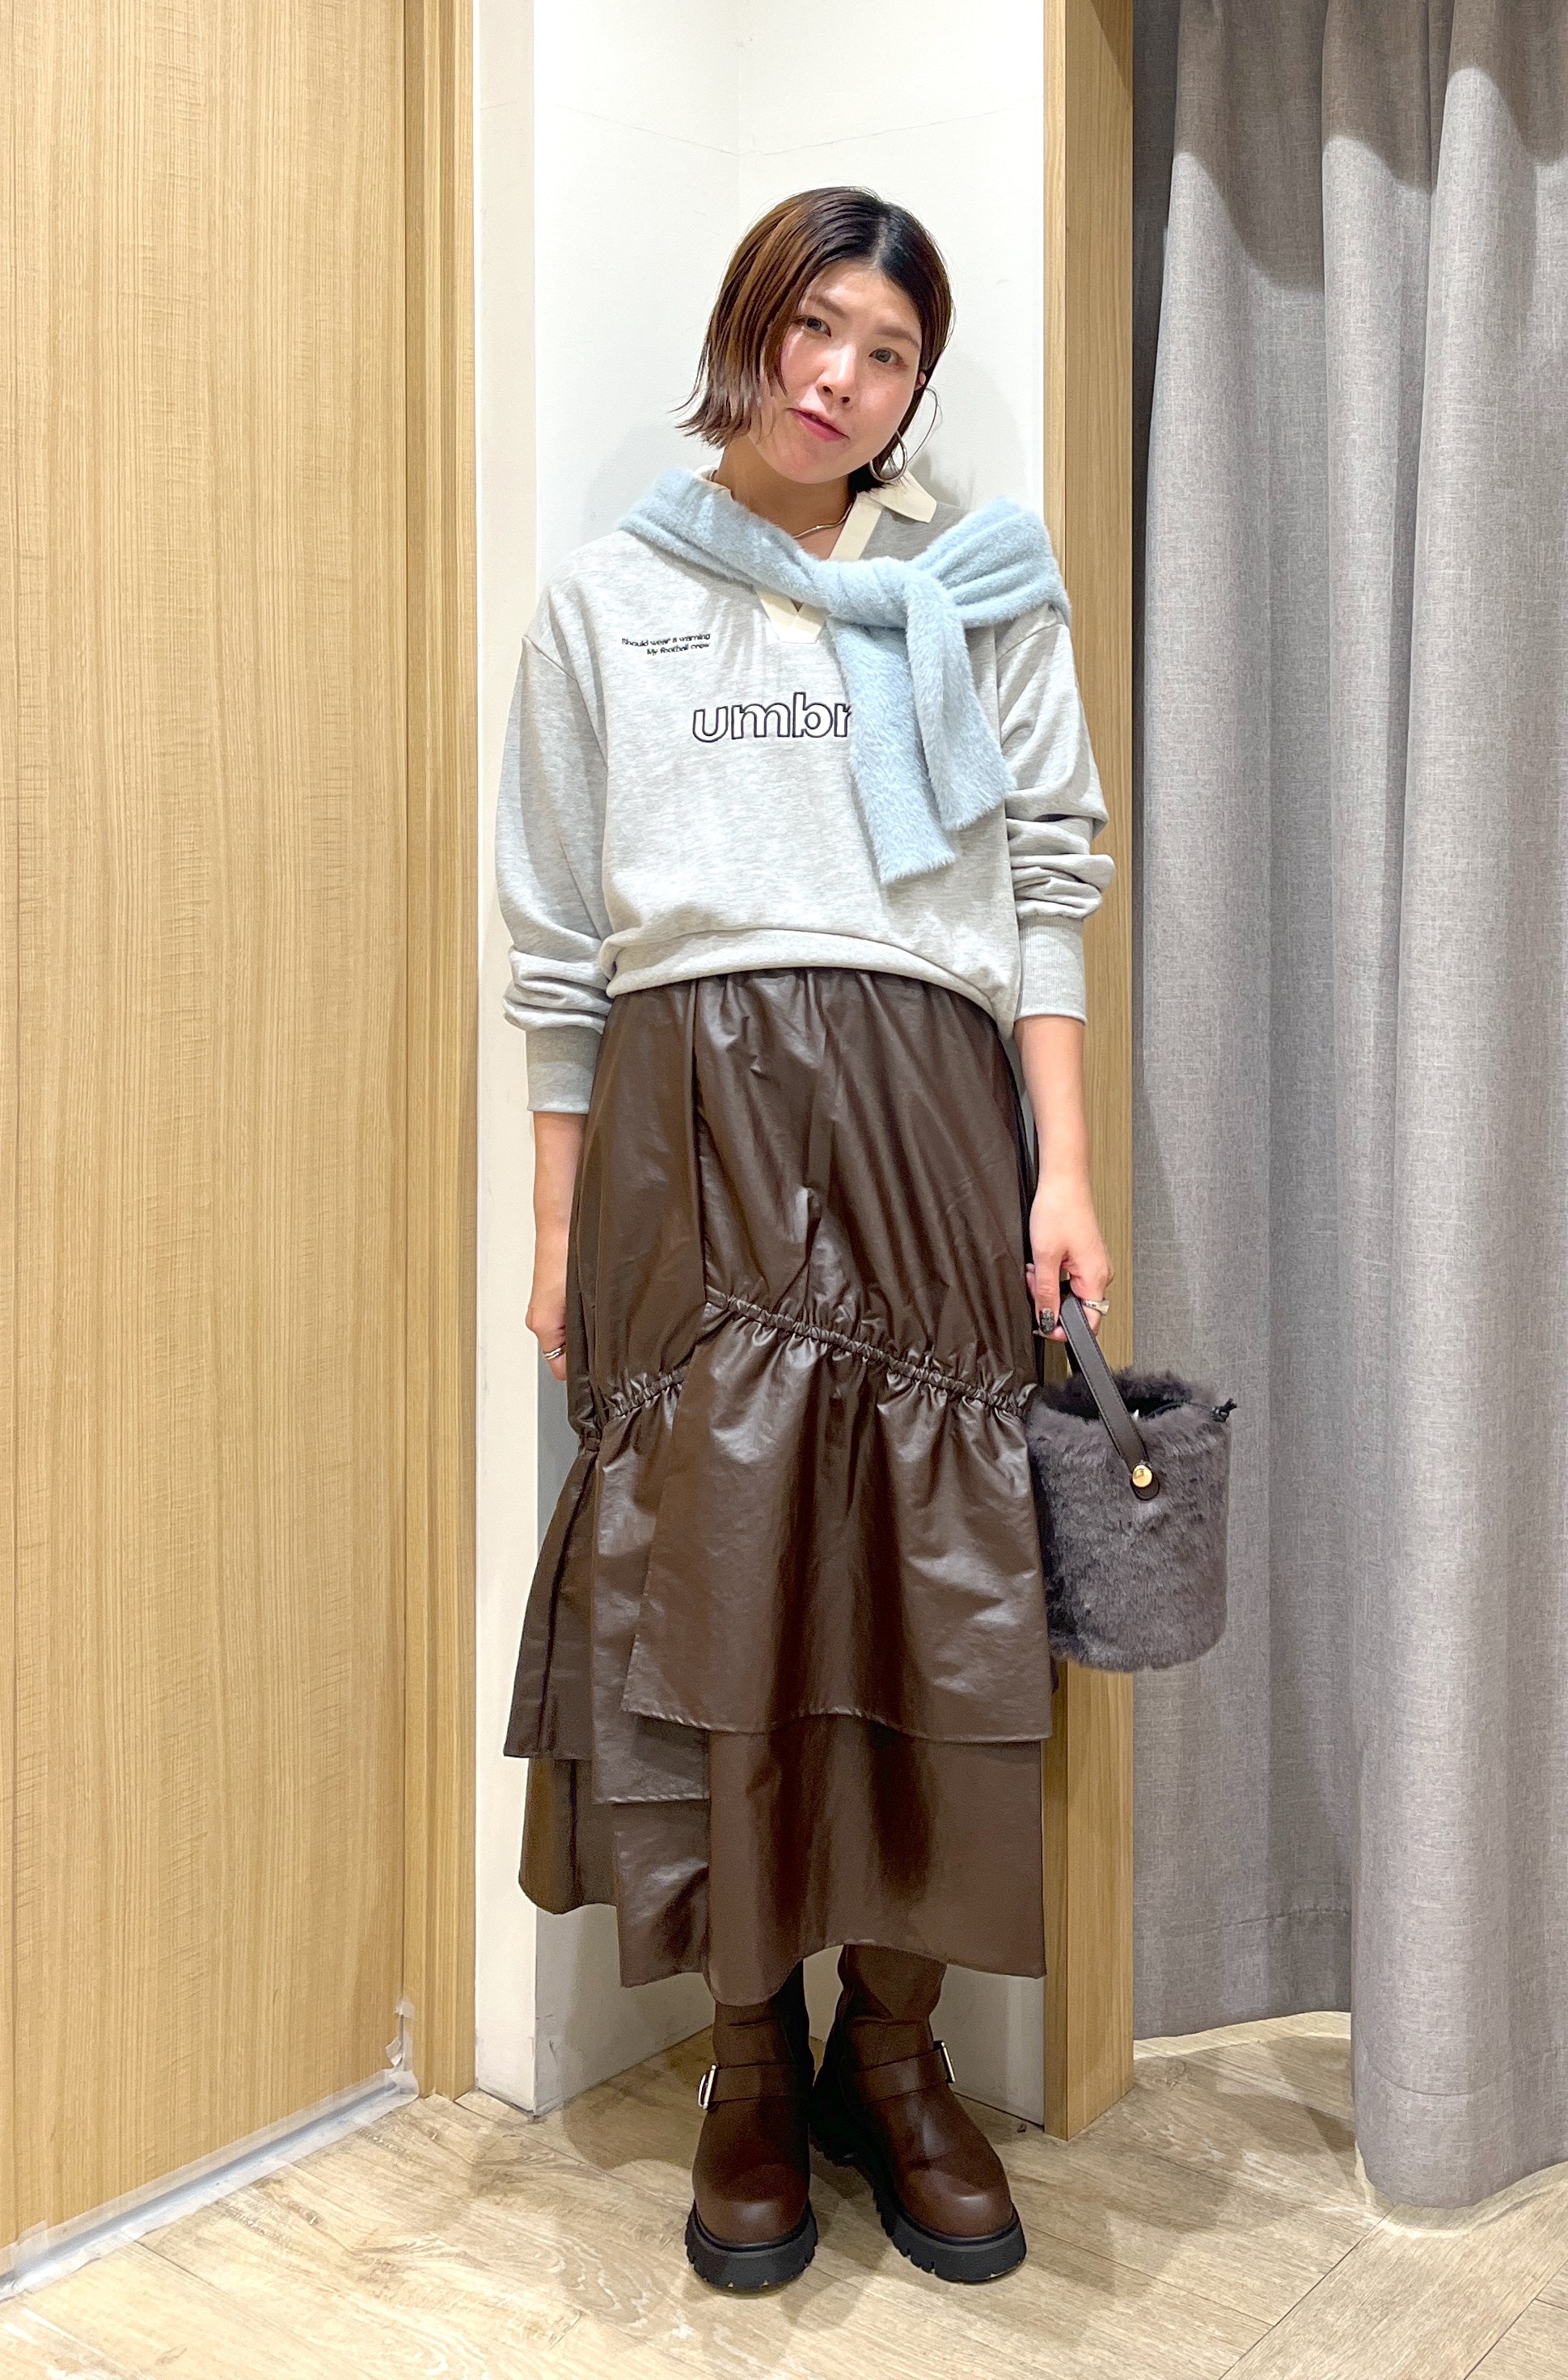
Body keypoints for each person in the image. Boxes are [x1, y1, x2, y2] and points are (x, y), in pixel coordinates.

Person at [496, 185, 1114, 2293]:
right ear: (748, 326)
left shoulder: (976, 583)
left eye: (890, 353)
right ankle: (749, 2061)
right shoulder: (608, 600)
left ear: (917, 387)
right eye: (816, 329)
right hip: (688, 1115)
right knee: (719, 1578)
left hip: (929, 1105)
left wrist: (1063, 1167)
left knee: (938, 1568)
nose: (841, 379)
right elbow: (558, 950)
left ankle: (898, 2053)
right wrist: (560, 1227)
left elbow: (1049, 879)